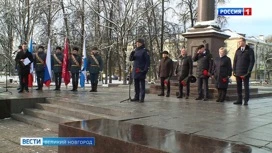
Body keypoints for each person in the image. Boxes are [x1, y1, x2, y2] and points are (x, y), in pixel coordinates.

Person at [233, 38, 255, 105]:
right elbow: (235, 61)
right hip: (238, 71)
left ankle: (246, 100)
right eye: (238, 42)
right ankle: (239, 100)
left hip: (246, 72)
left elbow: (252, 61)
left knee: (246, 87)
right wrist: (234, 70)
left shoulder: (249, 50)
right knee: (238, 87)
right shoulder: (238, 51)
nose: (239, 43)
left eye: (240, 41)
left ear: (244, 42)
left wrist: (249, 71)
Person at [129, 39, 150, 103]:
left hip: (141, 70)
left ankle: (142, 97)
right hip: (135, 70)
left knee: (142, 85)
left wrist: (145, 70)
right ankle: (136, 96)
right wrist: (131, 54)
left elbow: (147, 61)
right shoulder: (136, 50)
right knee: (136, 85)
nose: (137, 44)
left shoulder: (144, 51)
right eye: (137, 43)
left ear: (142, 43)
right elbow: (131, 59)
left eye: (139, 43)